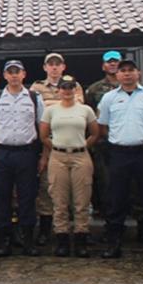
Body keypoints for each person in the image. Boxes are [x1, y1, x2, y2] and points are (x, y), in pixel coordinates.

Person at [95, 58, 143, 260]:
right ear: (117, 75)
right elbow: (102, 127)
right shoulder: (109, 98)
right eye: (123, 71)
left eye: (131, 70)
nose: (127, 74)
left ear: (138, 73)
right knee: (116, 200)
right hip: (119, 155)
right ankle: (114, 244)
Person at [0, 60, 46, 257]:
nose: (14, 75)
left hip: (27, 153)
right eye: (11, 72)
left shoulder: (35, 98)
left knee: (27, 198)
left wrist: (43, 156)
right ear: (5, 76)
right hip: (2, 153)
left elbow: (43, 128)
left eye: (18, 72)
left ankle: (27, 241)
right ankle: (4, 242)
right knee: (1, 198)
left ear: (24, 74)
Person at [38, 76, 99, 257]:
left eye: (71, 87)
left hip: (80, 156)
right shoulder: (51, 111)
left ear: (76, 89)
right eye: (64, 87)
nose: (67, 91)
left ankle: (81, 239)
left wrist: (81, 146)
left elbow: (95, 134)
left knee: (81, 201)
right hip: (58, 157)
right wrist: (58, 148)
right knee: (59, 201)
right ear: (59, 90)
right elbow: (43, 136)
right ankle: (62, 240)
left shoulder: (86, 110)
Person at [30, 53, 84, 245]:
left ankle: (78, 232)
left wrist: (48, 104)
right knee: (47, 189)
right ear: (45, 67)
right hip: (47, 145)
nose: (54, 68)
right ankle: (46, 230)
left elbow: (79, 104)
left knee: (76, 191)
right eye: (50, 64)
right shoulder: (36, 87)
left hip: (71, 142)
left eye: (57, 64)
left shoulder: (74, 85)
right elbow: (35, 112)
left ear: (63, 67)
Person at [85, 50, 122, 217]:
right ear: (103, 66)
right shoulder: (94, 90)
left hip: (128, 145)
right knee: (105, 185)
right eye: (109, 61)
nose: (113, 64)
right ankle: (110, 225)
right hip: (104, 146)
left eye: (116, 61)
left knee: (133, 187)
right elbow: (89, 117)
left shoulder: (134, 88)